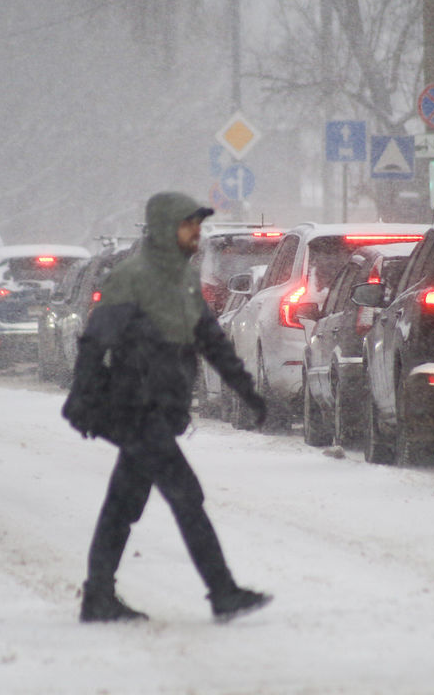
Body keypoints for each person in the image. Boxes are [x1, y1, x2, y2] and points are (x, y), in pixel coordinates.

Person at [63, 191, 272, 623]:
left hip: (162, 409)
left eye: (197, 224)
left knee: (123, 503)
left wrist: (246, 390)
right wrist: (82, 398)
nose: (196, 232)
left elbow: (211, 340)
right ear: (164, 229)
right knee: (186, 497)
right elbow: (96, 341)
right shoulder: (131, 278)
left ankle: (98, 596)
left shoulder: (182, 278)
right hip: (136, 408)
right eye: (188, 224)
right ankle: (222, 591)